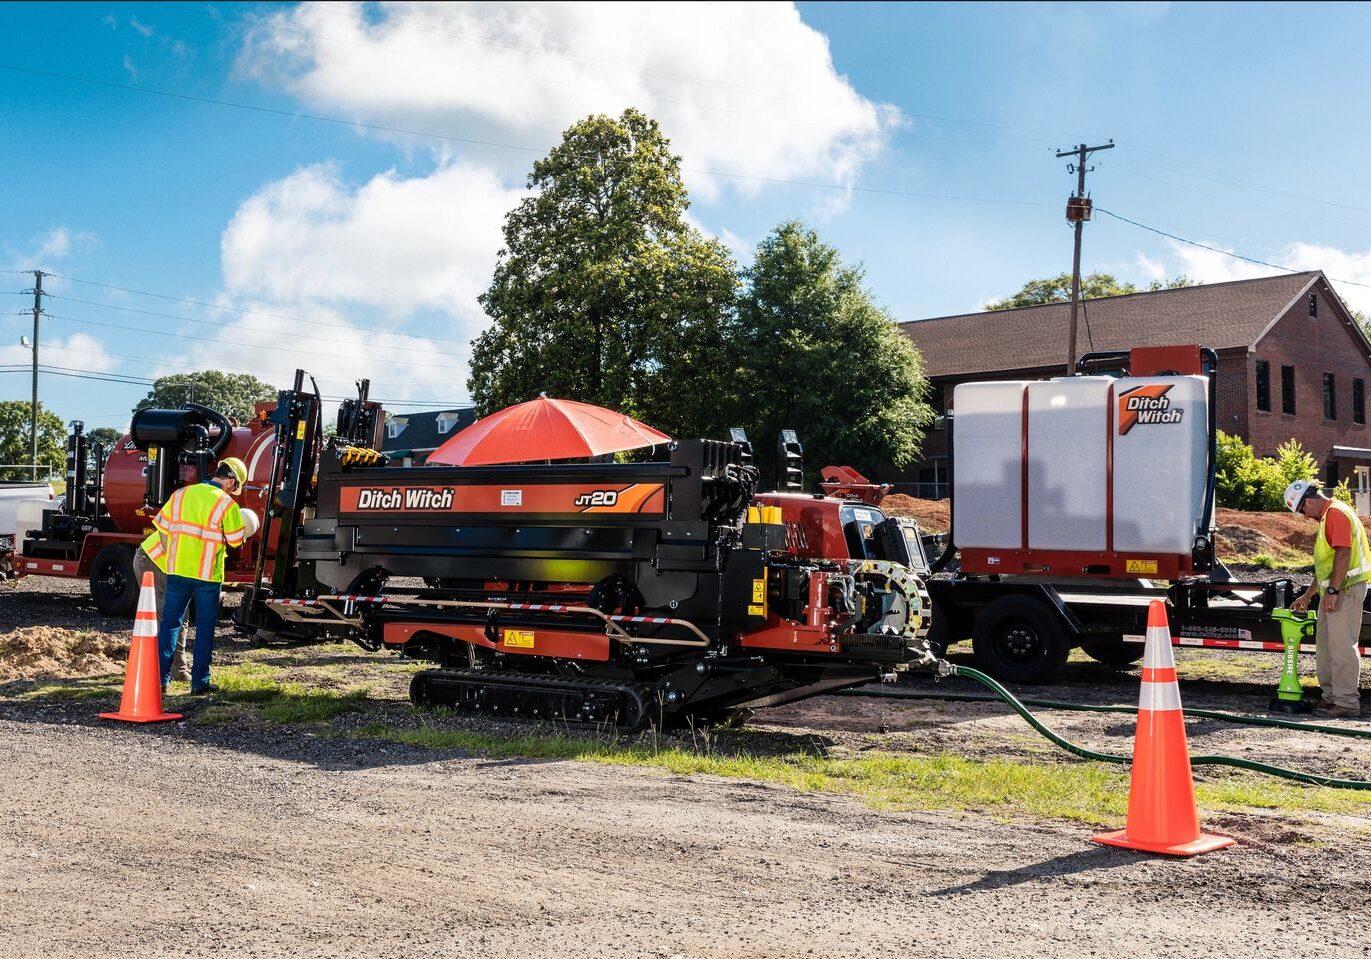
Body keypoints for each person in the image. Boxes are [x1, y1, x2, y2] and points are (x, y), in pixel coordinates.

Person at [141, 457, 251, 694]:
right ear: (231, 481)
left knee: (170, 625)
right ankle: (199, 682)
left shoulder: (181, 494)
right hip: (208, 576)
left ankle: (160, 682)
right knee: (204, 629)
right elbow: (234, 541)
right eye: (236, 486)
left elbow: (162, 530)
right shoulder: (226, 504)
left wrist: (171, 560)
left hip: (178, 570)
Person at [1286, 480, 1368, 718]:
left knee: (1342, 647)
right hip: (1332, 591)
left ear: (1309, 501)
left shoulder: (1336, 514)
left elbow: (1344, 553)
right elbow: (1327, 565)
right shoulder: (1326, 518)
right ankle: (1331, 698)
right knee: (1326, 646)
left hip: (1346, 589)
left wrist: (1332, 592)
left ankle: (1346, 703)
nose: (1303, 516)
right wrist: (1309, 594)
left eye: (1302, 510)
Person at [132, 540, 190, 682]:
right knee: (173, 617)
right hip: (153, 562)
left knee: (176, 616)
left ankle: (160, 666)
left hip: (151, 559)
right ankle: (175, 669)